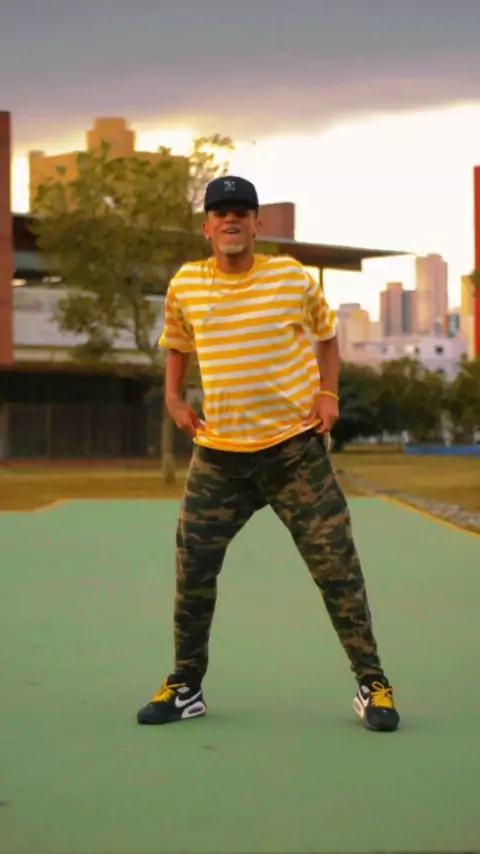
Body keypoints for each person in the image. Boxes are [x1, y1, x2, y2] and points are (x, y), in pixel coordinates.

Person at [137, 175, 400, 733]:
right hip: (219, 459)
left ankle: (372, 683)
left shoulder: (290, 278)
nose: (231, 219)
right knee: (194, 568)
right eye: (221, 212)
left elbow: (326, 336)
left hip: (294, 454)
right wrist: (173, 398)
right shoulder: (186, 284)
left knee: (338, 568)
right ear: (207, 227)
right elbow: (177, 345)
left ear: (258, 225)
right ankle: (185, 686)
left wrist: (328, 395)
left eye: (242, 211)